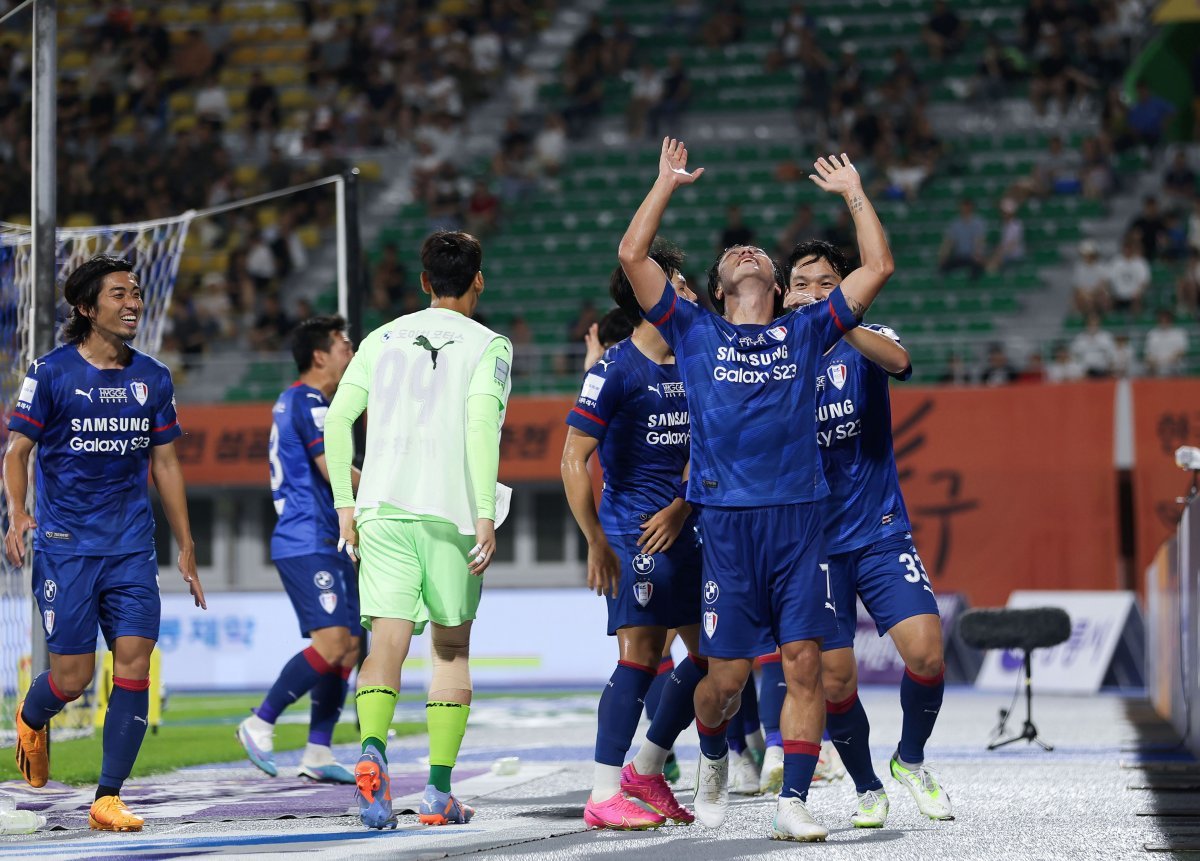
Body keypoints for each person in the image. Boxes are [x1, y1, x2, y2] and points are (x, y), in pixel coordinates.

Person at [618, 139, 894, 843]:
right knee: (725, 679)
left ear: (775, 283)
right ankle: (713, 751)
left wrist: (854, 192)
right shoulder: (692, 330)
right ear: (717, 289)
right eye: (733, 255)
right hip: (727, 528)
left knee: (803, 666)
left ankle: (793, 799)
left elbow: (877, 268)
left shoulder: (807, 329)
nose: (746, 252)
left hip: (800, 524)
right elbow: (631, 256)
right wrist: (664, 184)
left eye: (758, 254)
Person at [5, 255, 206, 831]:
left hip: (132, 549)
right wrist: (17, 512)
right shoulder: (50, 373)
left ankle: (108, 797)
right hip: (66, 548)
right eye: (119, 294)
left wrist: (185, 544)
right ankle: (31, 717)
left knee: (135, 664)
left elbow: (166, 463)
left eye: (135, 293)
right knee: (73, 679)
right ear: (87, 308)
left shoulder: (154, 377)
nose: (133, 303)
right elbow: (17, 452)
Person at [323, 231, 512, 830]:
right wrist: (484, 513)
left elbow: (337, 420)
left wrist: (346, 504)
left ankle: (371, 751)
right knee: (451, 650)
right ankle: (437, 792)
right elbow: (481, 426)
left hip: (380, 509)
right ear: (478, 280)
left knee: (385, 645)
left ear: (425, 282)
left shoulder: (381, 337)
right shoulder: (489, 345)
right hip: (451, 513)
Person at [781, 238, 953, 827]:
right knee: (834, 682)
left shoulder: (866, 339)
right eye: (801, 284)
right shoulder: (772, 358)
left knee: (927, 654)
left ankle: (911, 760)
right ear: (784, 294)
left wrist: (841, 320)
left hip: (880, 532)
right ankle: (867, 787)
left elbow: (900, 363)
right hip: (814, 547)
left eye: (827, 284)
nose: (813, 293)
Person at [562, 241, 702, 830]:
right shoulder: (614, 369)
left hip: (687, 526)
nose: (689, 291)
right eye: (679, 283)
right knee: (640, 657)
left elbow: (709, 447)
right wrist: (596, 540)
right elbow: (573, 459)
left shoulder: (698, 358)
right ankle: (602, 793)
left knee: (719, 659)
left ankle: (645, 768)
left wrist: (682, 507)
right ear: (651, 293)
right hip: (634, 533)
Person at [236, 316, 361, 784]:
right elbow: (334, 469)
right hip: (307, 539)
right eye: (344, 345)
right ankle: (260, 722)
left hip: (327, 537)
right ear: (319, 356)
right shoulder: (308, 402)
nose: (351, 352)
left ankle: (318, 751)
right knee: (332, 644)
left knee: (351, 646)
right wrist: (389, 489)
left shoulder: (306, 401)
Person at [1143, 309, 1189, 376]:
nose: (1164, 322)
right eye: (1161, 320)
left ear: (1170, 320)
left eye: (1166, 320)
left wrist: (1166, 362)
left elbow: (1181, 352)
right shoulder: (1152, 334)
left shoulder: (1179, 333)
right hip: (1156, 367)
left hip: (1175, 367)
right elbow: (1148, 354)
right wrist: (1154, 362)